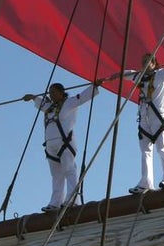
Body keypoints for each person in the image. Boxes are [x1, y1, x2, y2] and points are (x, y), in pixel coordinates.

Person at [108, 52, 164, 193]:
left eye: (148, 61)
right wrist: (116, 75)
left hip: (158, 118)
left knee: (162, 148)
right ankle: (145, 183)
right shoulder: (139, 77)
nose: (145, 64)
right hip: (144, 118)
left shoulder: (161, 75)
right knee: (145, 151)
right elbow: (128, 74)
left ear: (154, 63)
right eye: (143, 61)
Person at [22, 78, 106, 212]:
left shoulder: (69, 103)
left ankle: (72, 199)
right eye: (50, 93)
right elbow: (41, 104)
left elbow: (82, 97)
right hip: (50, 146)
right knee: (56, 175)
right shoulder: (49, 107)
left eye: (53, 92)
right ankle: (55, 202)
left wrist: (94, 87)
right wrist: (33, 98)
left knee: (69, 170)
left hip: (65, 143)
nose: (51, 95)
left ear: (61, 93)